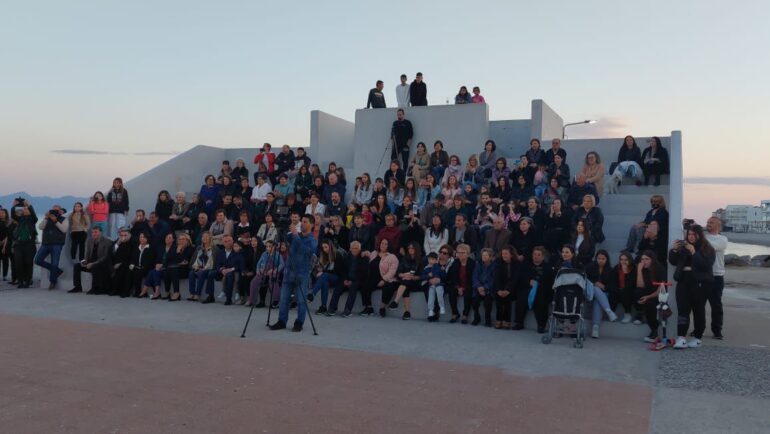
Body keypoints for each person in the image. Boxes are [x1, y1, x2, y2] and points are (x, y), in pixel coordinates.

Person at [668, 224, 716, 349]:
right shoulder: (684, 248)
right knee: (682, 309)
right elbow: (673, 261)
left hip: (701, 283)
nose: (691, 237)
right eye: (689, 234)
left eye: (694, 234)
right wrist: (674, 250)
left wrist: (694, 252)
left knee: (698, 310)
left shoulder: (708, 248)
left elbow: (706, 265)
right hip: (683, 281)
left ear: (699, 235)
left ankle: (697, 338)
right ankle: (681, 338)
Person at [270, 214, 319, 332]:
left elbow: (307, 251)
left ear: (312, 225)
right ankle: (282, 321)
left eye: (305, 222)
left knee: (301, 301)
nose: (302, 224)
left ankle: (299, 322)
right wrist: (281, 230)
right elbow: (282, 240)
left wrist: (296, 236)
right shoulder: (293, 235)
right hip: (289, 272)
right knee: (283, 299)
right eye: (302, 221)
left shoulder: (313, 240)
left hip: (302, 273)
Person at [557, 245, 618, 336]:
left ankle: (595, 327)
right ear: (596, 258)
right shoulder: (590, 267)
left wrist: (604, 287)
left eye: (603, 259)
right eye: (599, 258)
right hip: (588, 292)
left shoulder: (611, 270)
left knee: (598, 301)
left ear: (607, 259)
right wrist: (594, 283)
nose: (600, 260)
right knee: (595, 288)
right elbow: (585, 279)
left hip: (604, 294)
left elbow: (613, 287)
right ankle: (608, 311)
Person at [519, 246, 555, 333]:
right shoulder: (526, 265)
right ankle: (519, 323)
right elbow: (522, 278)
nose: (536, 256)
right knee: (521, 296)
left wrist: (537, 284)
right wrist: (529, 281)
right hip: (528, 287)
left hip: (542, 290)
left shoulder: (548, 268)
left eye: (539, 255)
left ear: (543, 257)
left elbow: (549, 282)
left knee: (541, 300)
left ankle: (541, 325)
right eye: (534, 254)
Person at [308, 239, 347, 314]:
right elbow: (324, 270)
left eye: (326, 247)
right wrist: (321, 270)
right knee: (324, 282)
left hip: (339, 278)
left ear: (330, 246)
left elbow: (337, 271)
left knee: (324, 275)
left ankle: (312, 294)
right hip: (329, 278)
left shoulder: (337, 254)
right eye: (323, 248)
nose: (325, 249)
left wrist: (323, 272)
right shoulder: (325, 256)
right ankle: (323, 306)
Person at [636, 250, 667, 342]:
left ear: (652, 260)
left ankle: (655, 331)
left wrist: (648, 297)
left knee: (650, 303)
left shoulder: (660, 269)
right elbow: (640, 285)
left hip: (658, 295)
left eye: (647, 259)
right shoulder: (643, 269)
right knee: (637, 292)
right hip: (647, 292)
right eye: (642, 259)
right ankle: (640, 313)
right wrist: (639, 270)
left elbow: (660, 290)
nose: (644, 262)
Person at [69, 227, 112, 294]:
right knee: (77, 266)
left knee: (95, 267)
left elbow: (105, 257)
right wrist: (84, 261)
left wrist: (93, 263)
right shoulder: (89, 241)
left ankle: (94, 288)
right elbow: (87, 254)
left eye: (95, 232)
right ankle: (77, 287)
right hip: (90, 263)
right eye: (92, 232)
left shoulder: (107, 242)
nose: (93, 234)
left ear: (101, 232)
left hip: (101, 264)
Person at [34, 206, 69, 289]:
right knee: (37, 260)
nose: (54, 211)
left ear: (60, 211)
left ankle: (53, 282)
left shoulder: (64, 219)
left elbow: (64, 229)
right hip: (45, 243)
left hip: (57, 244)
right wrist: (46, 218)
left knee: (54, 263)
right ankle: (57, 271)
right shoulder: (47, 218)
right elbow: (40, 227)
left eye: (56, 210)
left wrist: (56, 221)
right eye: (53, 209)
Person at [705, 217, 727, 339]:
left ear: (718, 225)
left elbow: (711, 247)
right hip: (702, 275)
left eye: (711, 222)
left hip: (717, 276)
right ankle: (699, 329)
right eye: (708, 222)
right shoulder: (703, 237)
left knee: (716, 305)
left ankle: (717, 330)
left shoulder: (723, 239)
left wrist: (700, 239)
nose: (708, 224)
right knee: (698, 304)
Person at [334, 241, 369, 317]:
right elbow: (344, 270)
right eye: (352, 248)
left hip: (359, 280)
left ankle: (347, 310)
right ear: (350, 249)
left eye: (356, 248)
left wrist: (352, 281)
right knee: (338, 286)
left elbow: (363, 273)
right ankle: (332, 308)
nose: (354, 250)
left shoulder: (364, 258)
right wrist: (345, 279)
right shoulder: (347, 257)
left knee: (353, 287)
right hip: (348, 279)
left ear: (359, 249)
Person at [445, 243, 476, 323]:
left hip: (469, 285)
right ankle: (455, 313)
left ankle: (465, 315)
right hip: (458, 285)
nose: (460, 254)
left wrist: (464, 288)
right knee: (451, 291)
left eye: (463, 253)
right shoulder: (455, 263)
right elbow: (452, 277)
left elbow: (472, 279)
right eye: (458, 252)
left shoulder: (472, 264)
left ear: (468, 254)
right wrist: (458, 287)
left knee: (469, 292)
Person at [10, 199, 38, 288]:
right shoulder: (20, 219)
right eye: (23, 209)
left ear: (30, 211)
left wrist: (29, 205)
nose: (24, 210)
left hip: (29, 244)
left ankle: (28, 281)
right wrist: (14, 206)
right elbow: (13, 214)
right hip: (18, 244)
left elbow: (34, 215)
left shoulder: (33, 220)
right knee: (18, 263)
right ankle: (20, 281)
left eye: (26, 209)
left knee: (28, 263)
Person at [212, 234, 243, 305]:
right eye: (225, 241)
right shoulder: (221, 252)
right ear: (223, 243)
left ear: (233, 241)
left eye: (229, 241)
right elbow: (217, 264)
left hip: (233, 271)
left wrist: (229, 269)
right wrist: (221, 269)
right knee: (210, 274)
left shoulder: (236, 250)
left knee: (229, 275)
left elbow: (239, 265)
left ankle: (228, 298)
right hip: (223, 271)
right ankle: (210, 296)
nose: (228, 243)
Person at [493, 246, 519, 329]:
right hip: (500, 287)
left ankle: (506, 320)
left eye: (506, 254)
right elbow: (496, 278)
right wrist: (499, 290)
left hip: (512, 288)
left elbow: (515, 279)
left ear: (511, 255)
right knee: (498, 299)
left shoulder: (517, 264)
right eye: (503, 253)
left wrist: (508, 290)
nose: (504, 255)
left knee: (508, 299)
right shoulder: (498, 262)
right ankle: (498, 319)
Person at [188, 232, 218, 302]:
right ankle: (192, 293)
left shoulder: (214, 248)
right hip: (199, 267)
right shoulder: (199, 248)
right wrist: (196, 267)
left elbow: (214, 262)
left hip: (209, 268)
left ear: (210, 238)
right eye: (203, 236)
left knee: (201, 273)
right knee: (191, 273)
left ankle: (198, 294)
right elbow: (194, 259)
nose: (204, 238)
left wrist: (204, 268)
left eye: (207, 236)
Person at [421, 252, 447, 321]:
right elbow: (422, 276)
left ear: (436, 260)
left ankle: (441, 307)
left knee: (439, 293)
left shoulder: (438, 267)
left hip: (439, 285)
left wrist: (442, 272)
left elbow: (444, 277)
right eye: (429, 259)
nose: (431, 261)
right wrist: (428, 277)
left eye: (433, 259)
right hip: (430, 285)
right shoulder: (426, 268)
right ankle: (431, 310)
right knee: (430, 297)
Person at [130, 232, 155, 298]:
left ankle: (139, 292)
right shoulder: (137, 247)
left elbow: (151, 260)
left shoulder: (151, 248)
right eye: (140, 237)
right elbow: (133, 258)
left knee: (138, 272)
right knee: (130, 270)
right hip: (137, 267)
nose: (142, 238)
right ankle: (127, 291)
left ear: (147, 238)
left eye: (144, 237)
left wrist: (142, 267)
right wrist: (132, 264)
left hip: (147, 268)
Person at [110, 228, 134, 297]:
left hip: (129, 263)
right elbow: (111, 253)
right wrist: (117, 244)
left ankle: (125, 292)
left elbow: (132, 257)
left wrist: (121, 263)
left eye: (125, 235)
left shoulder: (133, 243)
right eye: (121, 235)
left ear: (129, 235)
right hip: (116, 263)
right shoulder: (117, 242)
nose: (123, 237)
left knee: (126, 269)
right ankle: (114, 290)